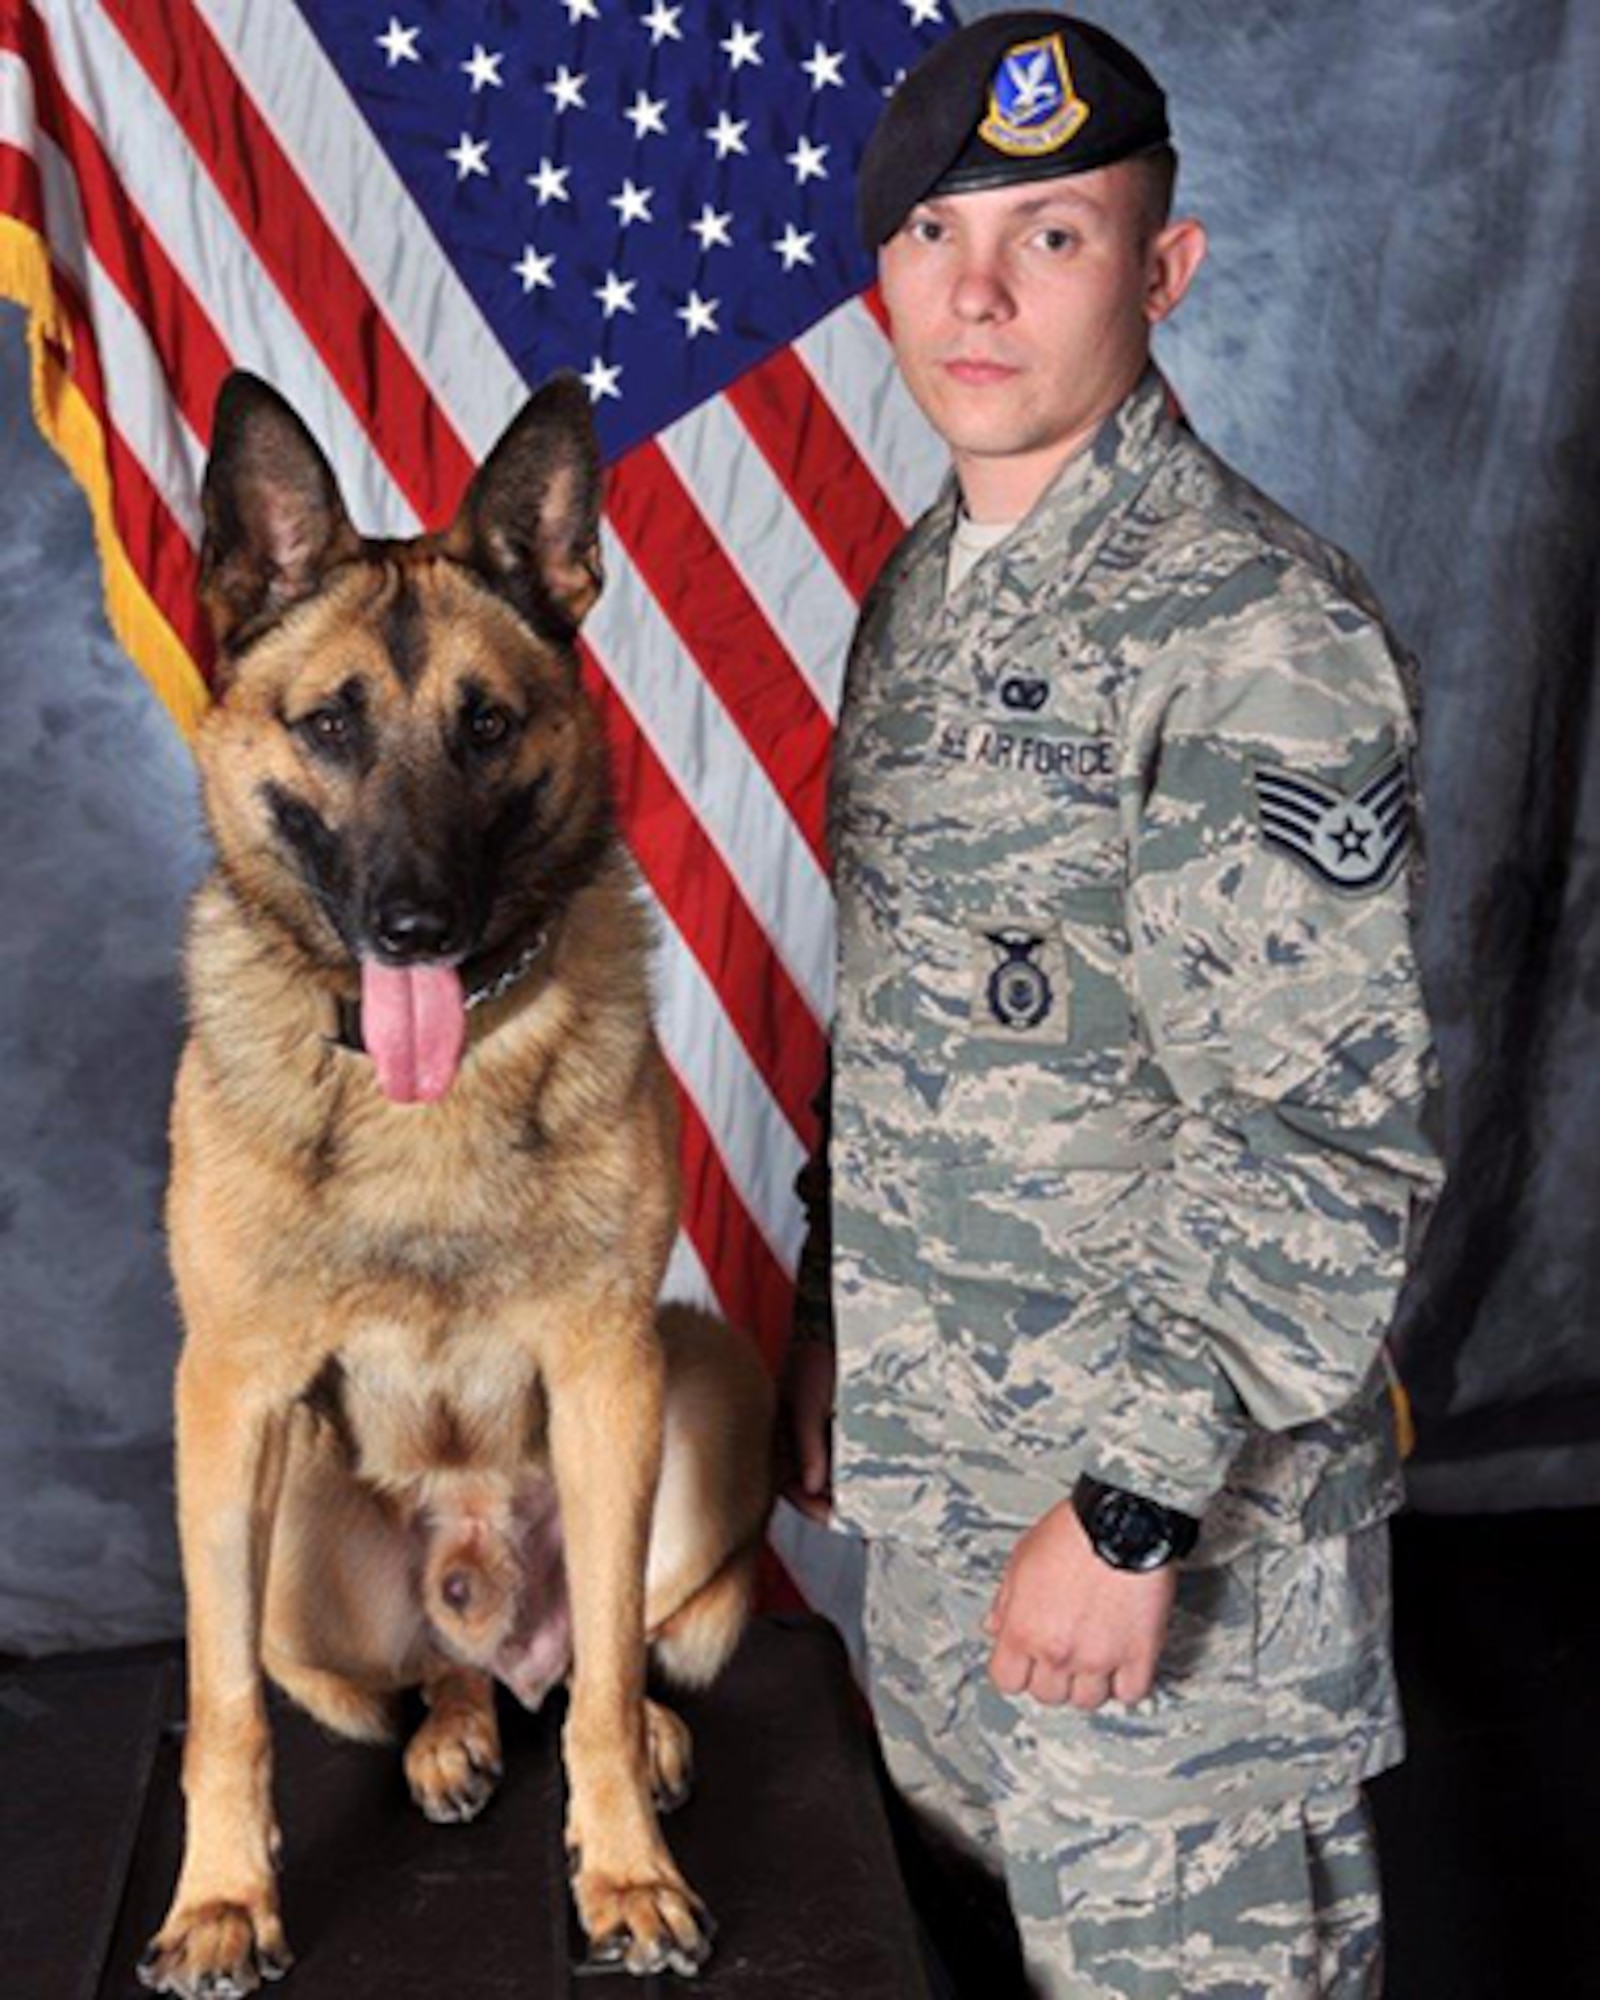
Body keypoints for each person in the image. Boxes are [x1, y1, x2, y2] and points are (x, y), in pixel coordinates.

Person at [781, 13, 1444, 1997]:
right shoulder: (927, 596)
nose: (973, 291)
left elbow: (1320, 1135)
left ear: (1162, 272)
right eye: (932, 235)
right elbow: (914, 1014)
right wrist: (832, 1311)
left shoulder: (1248, 637)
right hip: (948, 1512)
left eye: (1050, 237)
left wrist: (1131, 1508)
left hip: (1162, 1562)